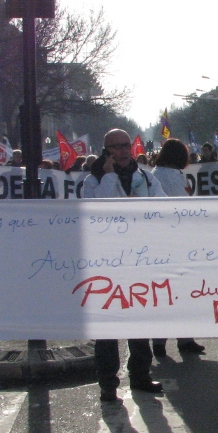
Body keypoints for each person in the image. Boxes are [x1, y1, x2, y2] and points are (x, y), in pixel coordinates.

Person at [83, 128, 166, 400]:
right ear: (106, 151)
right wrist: (108, 176)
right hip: (107, 262)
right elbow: (95, 211)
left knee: (139, 322)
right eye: (114, 147)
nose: (121, 151)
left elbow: (164, 208)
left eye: (125, 145)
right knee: (107, 328)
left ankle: (141, 375)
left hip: (140, 260)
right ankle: (108, 383)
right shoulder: (93, 181)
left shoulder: (146, 178)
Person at [150, 138, 205, 358]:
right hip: (167, 241)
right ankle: (160, 341)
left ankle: (185, 338)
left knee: (183, 291)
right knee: (166, 293)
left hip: (182, 239)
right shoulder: (159, 176)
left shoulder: (173, 174)